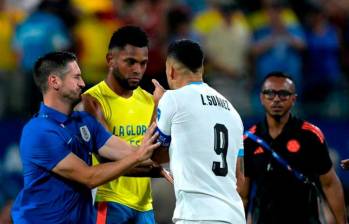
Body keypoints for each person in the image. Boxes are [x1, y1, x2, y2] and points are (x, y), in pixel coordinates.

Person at [11, 51, 160, 224]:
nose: (82, 83)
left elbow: (131, 153)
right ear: (54, 81)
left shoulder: (84, 122)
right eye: (76, 77)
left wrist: (158, 108)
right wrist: (138, 156)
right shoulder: (39, 132)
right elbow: (89, 177)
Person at [152, 39, 246, 224]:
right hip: (234, 216)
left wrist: (157, 106)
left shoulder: (172, 99)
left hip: (198, 216)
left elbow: (152, 155)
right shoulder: (232, 111)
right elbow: (240, 178)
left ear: (170, 70)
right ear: (201, 69)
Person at [82, 25, 164, 224]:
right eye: (131, 62)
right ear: (111, 60)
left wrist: (158, 107)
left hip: (145, 206)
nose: (138, 69)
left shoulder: (149, 100)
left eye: (143, 63)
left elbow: (154, 152)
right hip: (108, 202)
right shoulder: (92, 100)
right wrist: (158, 170)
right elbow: (106, 159)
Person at [240, 71, 347, 224]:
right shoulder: (249, 140)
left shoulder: (311, 136)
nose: (276, 99)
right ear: (261, 98)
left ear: (293, 99)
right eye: (270, 93)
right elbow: (243, 195)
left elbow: (329, 184)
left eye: (283, 94)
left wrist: (342, 222)